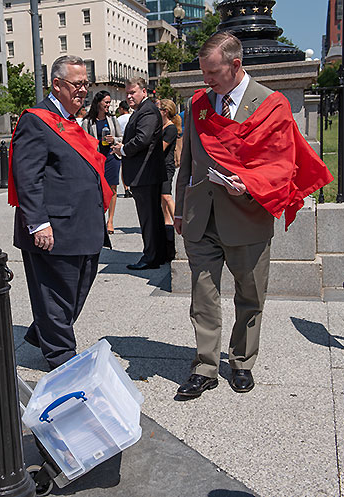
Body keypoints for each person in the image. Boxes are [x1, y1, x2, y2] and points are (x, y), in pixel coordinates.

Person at [174, 32, 332, 398]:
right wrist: (180, 209)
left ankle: (241, 361)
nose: (206, 80)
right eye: (203, 72)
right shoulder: (198, 103)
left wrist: (247, 184)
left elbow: (281, 163)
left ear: (236, 65)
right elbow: (188, 164)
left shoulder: (270, 103)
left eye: (213, 72)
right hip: (202, 214)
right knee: (203, 295)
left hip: (246, 214)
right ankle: (205, 367)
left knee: (249, 295)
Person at [9, 55, 111, 370]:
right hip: (54, 229)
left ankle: (46, 331)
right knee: (55, 296)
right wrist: (38, 224)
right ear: (57, 84)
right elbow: (28, 176)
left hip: (83, 227)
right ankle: (62, 358)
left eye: (86, 84)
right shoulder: (37, 119)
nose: (84, 90)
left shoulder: (69, 119)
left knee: (75, 292)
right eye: (77, 84)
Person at [113, 77, 167, 270]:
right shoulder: (143, 111)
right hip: (145, 174)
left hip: (145, 174)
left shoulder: (147, 111)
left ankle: (151, 257)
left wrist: (124, 149)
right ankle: (159, 254)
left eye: (132, 92)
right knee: (152, 217)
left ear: (144, 92)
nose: (129, 96)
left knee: (149, 218)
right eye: (127, 93)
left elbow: (142, 139)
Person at [82, 90, 122, 235]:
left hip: (111, 157)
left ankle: (110, 221)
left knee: (112, 189)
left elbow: (121, 137)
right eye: (106, 102)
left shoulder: (112, 119)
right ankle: (99, 219)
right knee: (97, 190)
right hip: (96, 159)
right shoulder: (88, 121)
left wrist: (114, 140)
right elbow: (83, 140)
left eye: (109, 102)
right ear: (98, 103)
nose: (108, 105)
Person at [157, 98, 181, 262]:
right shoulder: (162, 127)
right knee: (161, 200)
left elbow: (161, 147)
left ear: (165, 111)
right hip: (159, 167)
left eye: (158, 109)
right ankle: (168, 230)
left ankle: (178, 221)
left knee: (166, 195)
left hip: (167, 167)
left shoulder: (170, 129)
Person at [116, 100, 133, 198]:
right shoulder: (132, 117)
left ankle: (126, 188)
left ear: (122, 109)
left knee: (124, 166)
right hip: (132, 143)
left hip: (122, 142)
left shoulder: (119, 119)